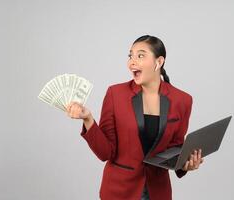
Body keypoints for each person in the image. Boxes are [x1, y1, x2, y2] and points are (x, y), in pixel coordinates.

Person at [66, 35, 204, 200]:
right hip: (119, 191)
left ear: (158, 62)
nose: (132, 62)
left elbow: (174, 149)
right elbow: (105, 152)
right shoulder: (115, 94)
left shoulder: (182, 100)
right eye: (130, 56)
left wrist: (186, 165)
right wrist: (88, 119)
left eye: (140, 55)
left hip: (158, 192)